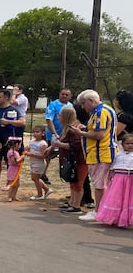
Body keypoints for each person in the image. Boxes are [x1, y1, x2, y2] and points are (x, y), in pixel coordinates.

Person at [75, 89, 117, 222]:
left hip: (101, 153)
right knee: (100, 183)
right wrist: (85, 129)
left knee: (100, 185)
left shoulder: (101, 112)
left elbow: (99, 135)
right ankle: (102, 210)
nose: (83, 107)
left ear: (91, 101)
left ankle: (99, 211)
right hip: (97, 153)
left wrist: (81, 134)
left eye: (83, 103)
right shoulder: (98, 112)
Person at [51, 105, 88, 214]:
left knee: (78, 182)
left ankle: (76, 206)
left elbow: (75, 146)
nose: (58, 117)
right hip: (70, 160)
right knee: (72, 182)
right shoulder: (67, 128)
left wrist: (59, 144)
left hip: (78, 160)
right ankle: (72, 202)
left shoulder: (74, 130)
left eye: (60, 115)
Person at [95, 133, 133, 228]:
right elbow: (112, 168)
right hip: (118, 180)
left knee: (128, 199)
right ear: (122, 144)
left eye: (132, 143)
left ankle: (126, 219)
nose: (130, 145)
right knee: (116, 198)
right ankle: (113, 218)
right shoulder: (118, 154)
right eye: (127, 143)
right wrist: (109, 177)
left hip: (130, 180)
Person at [25, 125, 51, 200]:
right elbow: (30, 150)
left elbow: (44, 156)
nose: (35, 133)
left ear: (43, 133)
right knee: (35, 178)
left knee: (35, 178)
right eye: (34, 132)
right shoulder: (32, 141)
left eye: (37, 132)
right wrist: (27, 150)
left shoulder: (43, 144)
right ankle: (46, 189)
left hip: (39, 163)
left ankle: (40, 194)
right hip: (33, 162)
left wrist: (32, 154)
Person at [5, 137, 24, 203]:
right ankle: (9, 196)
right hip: (12, 170)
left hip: (17, 170)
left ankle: (14, 196)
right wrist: (21, 158)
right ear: (16, 145)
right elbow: (14, 162)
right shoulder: (11, 153)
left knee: (17, 184)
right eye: (19, 145)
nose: (20, 146)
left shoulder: (16, 152)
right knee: (12, 184)